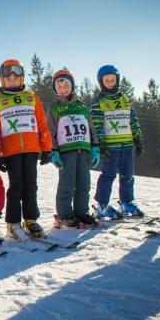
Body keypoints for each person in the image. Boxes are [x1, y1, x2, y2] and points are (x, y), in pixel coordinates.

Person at [0, 59, 53, 240]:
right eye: (8, 78)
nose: (12, 81)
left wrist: (46, 146)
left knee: (31, 184)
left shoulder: (31, 96)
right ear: (2, 80)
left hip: (31, 148)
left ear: (22, 77)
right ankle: (13, 223)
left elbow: (41, 123)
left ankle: (30, 220)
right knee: (16, 185)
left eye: (16, 78)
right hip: (11, 150)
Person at [46, 70, 101, 228]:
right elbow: (50, 131)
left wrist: (95, 147)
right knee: (67, 184)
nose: (63, 88)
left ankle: (81, 212)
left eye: (66, 85)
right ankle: (64, 215)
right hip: (66, 151)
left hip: (83, 151)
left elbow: (91, 128)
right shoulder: (54, 108)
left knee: (84, 183)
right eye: (59, 85)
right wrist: (53, 151)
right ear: (55, 88)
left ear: (72, 86)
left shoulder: (82, 106)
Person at [91, 65, 145, 219]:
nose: (110, 82)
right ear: (101, 82)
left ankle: (127, 202)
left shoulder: (125, 99)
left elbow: (133, 120)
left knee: (128, 175)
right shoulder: (99, 101)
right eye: (106, 80)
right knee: (108, 176)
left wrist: (138, 140)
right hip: (111, 146)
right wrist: (101, 144)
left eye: (112, 79)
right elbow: (97, 124)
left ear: (117, 79)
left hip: (127, 145)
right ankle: (101, 205)